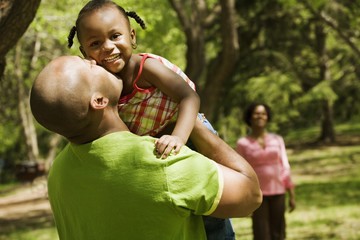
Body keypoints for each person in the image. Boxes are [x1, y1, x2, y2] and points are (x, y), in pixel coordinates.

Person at [30, 55, 262, 240]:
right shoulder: (157, 159)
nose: (94, 59)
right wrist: (192, 123)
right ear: (99, 101)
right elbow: (251, 195)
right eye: (88, 65)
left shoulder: (59, 175)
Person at [67, 0, 235, 238]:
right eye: (95, 43)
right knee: (181, 212)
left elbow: (189, 98)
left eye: (115, 36)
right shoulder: (99, 85)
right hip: (157, 147)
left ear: (132, 36)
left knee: (213, 214)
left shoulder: (145, 68)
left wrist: (178, 136)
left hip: (189, 135)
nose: (107, 47)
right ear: (85, 52)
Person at [236, 102, 296, 240]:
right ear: (250, 117)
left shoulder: (277, 140)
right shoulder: (243, 143)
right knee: (261, 234)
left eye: (263, 113)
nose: (260, 116)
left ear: (267, 117)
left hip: (278, 192)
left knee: (278, 233)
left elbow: (285, 166)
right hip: (257, 195)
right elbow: (240, 171)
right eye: (256, 113)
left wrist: (291, 194)